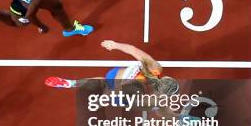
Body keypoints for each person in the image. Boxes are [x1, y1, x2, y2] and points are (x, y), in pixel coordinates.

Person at [45, 39, 179, 97]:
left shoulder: (155, 68)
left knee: (103, 82)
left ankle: (70, 83)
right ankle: (71, 84)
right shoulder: (149, 95)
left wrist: (115, 45)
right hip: (117, 87)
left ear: (167, 78)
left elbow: (133, 50)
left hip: (115, 73)